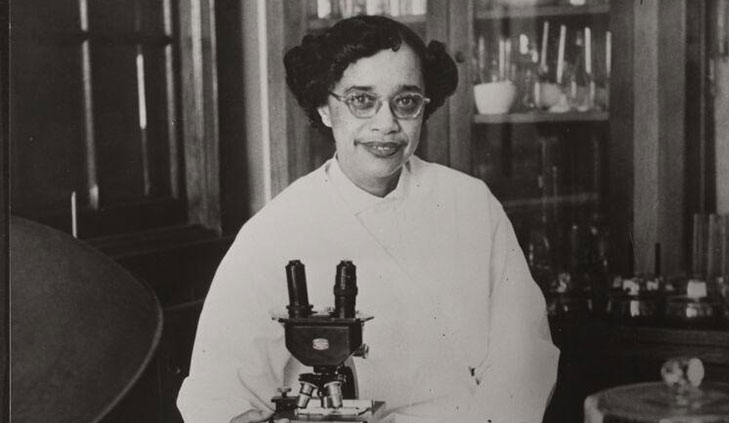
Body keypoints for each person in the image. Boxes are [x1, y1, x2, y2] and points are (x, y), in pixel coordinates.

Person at [177, 15, 559, 423]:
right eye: (362, 100)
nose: (386, 124)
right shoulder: (273, 232)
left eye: (406, 101)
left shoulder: (470, 203)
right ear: (324, 107)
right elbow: (218, 394)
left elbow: (524, 353)